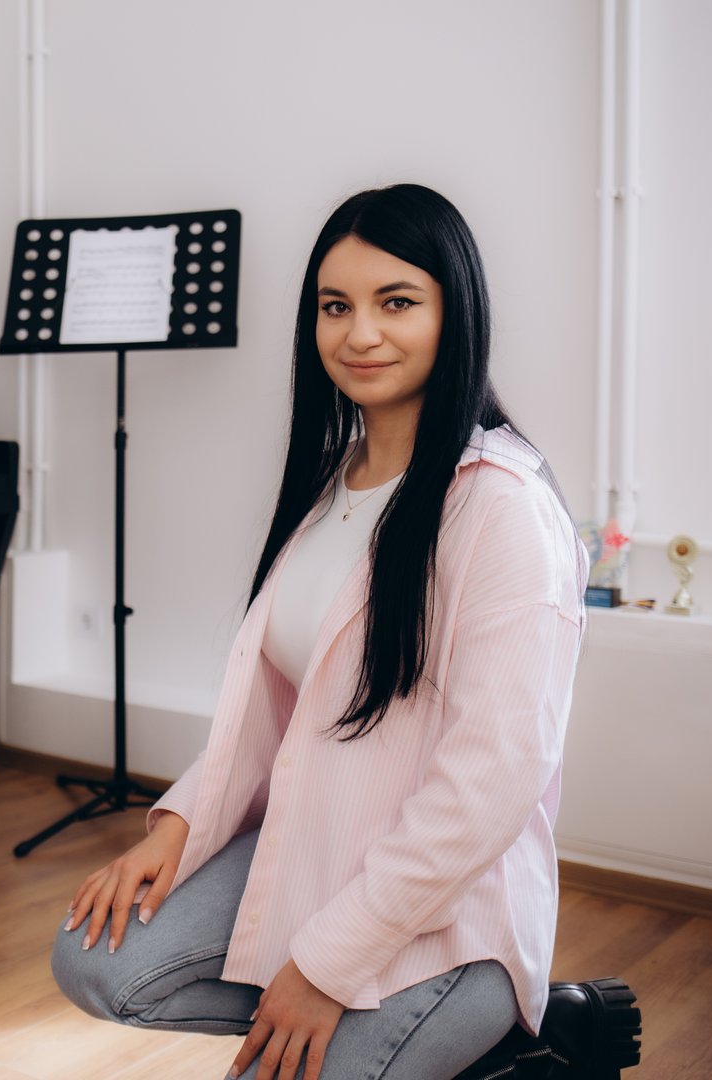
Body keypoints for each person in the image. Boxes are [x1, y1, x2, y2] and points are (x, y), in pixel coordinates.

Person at [51, 185, 637, 1080]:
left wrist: (325, 967)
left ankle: (516, 1030)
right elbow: (282, 715)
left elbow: (492, 781)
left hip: (449, 913)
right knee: (96, 961)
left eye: (395, 302)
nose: (359, 333)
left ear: (454, 311)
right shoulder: (335, 480)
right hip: (316, 850)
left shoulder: (503, 509)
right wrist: (175, 826)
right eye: (335, 306)